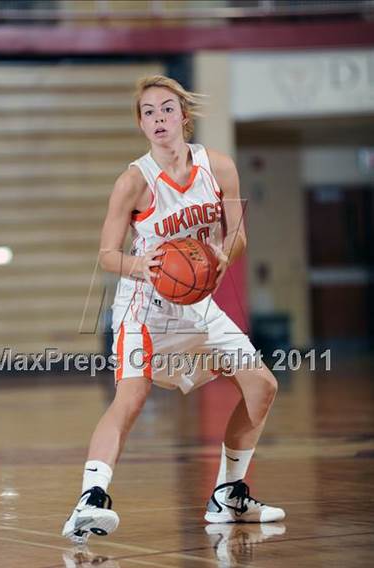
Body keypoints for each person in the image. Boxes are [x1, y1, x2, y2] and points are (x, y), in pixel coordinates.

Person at [62, 75, 285, 544]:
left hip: (197, 303)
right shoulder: (132, 182)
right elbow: (106, 255)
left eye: (167, 109)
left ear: (184, 116)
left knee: (262, 385)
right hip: (144, 305)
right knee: (132, 396)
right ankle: (91, 499)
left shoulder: (219, 167)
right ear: (141, 125)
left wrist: (226, 253)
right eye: (148, 112)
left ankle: (228, 495)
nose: (159, 118)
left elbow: (237, 233)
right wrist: (144, 265)